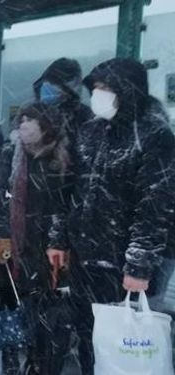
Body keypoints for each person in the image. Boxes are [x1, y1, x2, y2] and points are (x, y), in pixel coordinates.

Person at [47, 57, 175, 374]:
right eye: (97, 88)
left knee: (125, 345)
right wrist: (58, 239)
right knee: (91, 335)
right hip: (86, 256)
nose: (99, 94)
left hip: (124, 264)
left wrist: (139, 266)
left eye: (107, 88)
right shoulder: (90, 131)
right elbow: (70, 189)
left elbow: (155, 205)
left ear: (128, 91)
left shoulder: (154, 135)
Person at [0, 103, 74, 374]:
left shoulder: (62, 157)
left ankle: (39, 366)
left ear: (47, 125)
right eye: (21, 119)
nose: (24, 125)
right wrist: (2, 234)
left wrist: (57, 240)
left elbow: (67, 203)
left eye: (31, 120)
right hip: (12, 247)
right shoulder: (11, 153)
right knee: (10, 307)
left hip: (48, 249)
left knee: (46, 315)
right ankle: (11, 365)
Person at [32, 57, 93, 154]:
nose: (48, 85)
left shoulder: (84, 117)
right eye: (49, 81)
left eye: (55, 83)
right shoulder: (31, 113)